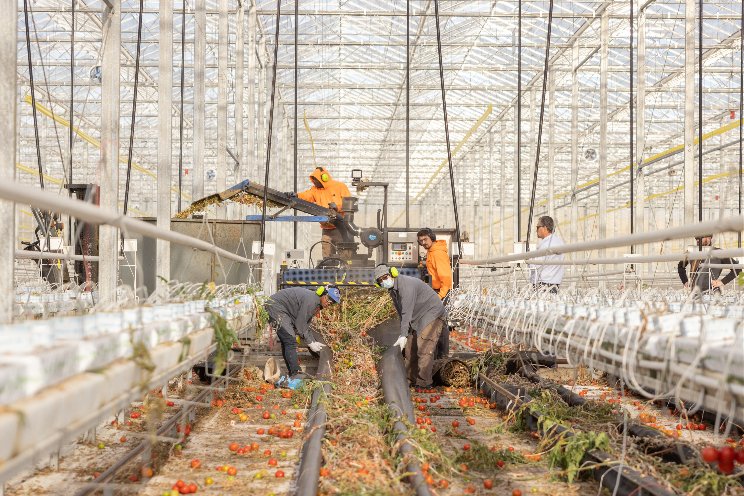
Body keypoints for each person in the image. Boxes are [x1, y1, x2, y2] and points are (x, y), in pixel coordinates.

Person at [375, 264, 446, 388]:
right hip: (417, 317)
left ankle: (424, 383)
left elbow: (406, 311)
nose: (383, 281)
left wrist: (403, 334)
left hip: (431, 313)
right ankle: (410, 379)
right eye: (380, 281)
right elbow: (401, 313)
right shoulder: (392, 290)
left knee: (424, 347)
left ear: (392, 274)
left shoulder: (406, 286)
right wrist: (405, 333)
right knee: (409, 348)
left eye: (385, 277)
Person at [265, 286, 340, 381]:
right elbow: (300, 324)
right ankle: (295, 373)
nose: (329, 303)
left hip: (280, 309)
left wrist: (312, 341)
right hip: (275, 308)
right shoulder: (312, 301)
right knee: (289, 340)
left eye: (333, 302)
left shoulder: (317, 303)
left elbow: (305, 323)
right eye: (329, 298)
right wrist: (310, 342)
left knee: (287, 340)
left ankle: (293, 372)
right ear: (323, 293)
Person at [293, 166, 351, 259]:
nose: (314, 182)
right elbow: (307, 195)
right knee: (327, 256)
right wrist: (296, 195)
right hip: (326, 230)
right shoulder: (315, 190)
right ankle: (327, 271)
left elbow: (349, 203)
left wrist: (337, 206)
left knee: (345, 257)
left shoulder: (340, 186)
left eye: (316, 180)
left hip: (341, 229)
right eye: (313, 180)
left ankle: (345, 271)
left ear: (324, 177)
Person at [417, 228, 452, 358]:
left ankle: (442, 356)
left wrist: (440, 296)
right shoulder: (431, 252)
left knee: (440, 324)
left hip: (440, 293)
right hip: (435, 292)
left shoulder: (437, 253)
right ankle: (437, 354)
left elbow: (446, 278)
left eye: (425, 239)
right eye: (421, 241)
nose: (423, 243)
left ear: (432, 237)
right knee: (435, 323)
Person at [529, 215, 565, 293]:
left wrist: (528, 259)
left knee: (540, 304)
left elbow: (535, 264)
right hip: (554, 284)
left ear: (545, 228)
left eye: (538, 227)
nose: (536, 230)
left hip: (544, 284)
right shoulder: (559, 242)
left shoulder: (546, 244)